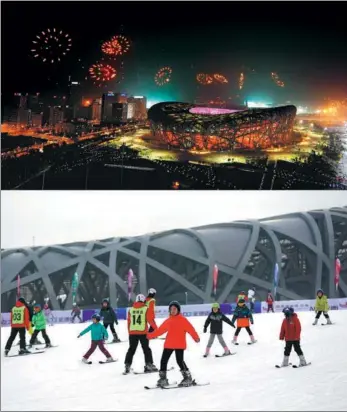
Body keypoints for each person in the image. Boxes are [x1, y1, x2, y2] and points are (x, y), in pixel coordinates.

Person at [148, 301, 200, 388]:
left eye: (174, 309)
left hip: (179, 344)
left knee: (180, 361)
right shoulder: (169, 321)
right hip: (169, 344)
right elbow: (160, 331)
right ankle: (163, 379)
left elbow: (191, 329)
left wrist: (196, 337)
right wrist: (149, 335)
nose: (173, 310)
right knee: (163, 361)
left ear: (178, 310)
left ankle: (187, 377)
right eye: (171, 309)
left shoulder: (183, 320)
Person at [124, 294, 158, 374]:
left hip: (132, 332)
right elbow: (150, 320)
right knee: (146, 349)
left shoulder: (131, 310)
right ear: (144, 300)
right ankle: (149, 365)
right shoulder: (146, 308)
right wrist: (157, 329)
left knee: (131, 349)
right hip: (143, 332)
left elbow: (129, 322)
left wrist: (129, 331)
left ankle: (127, 365)